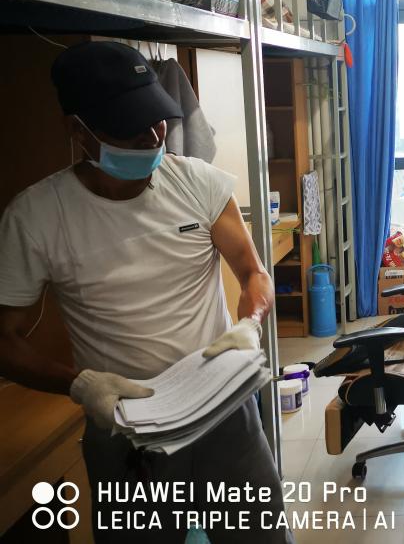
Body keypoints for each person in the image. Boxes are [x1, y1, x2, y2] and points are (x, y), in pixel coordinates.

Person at [0, 42, 293, 543]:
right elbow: (4, 339)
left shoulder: (198, 183)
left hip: (222, 411)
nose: (151, 136)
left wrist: (250, 323)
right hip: (127, 430)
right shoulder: (36, 218)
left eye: (156, 121)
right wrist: (80, 385)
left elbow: (252, 272)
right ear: (78, 130)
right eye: (129, 127)